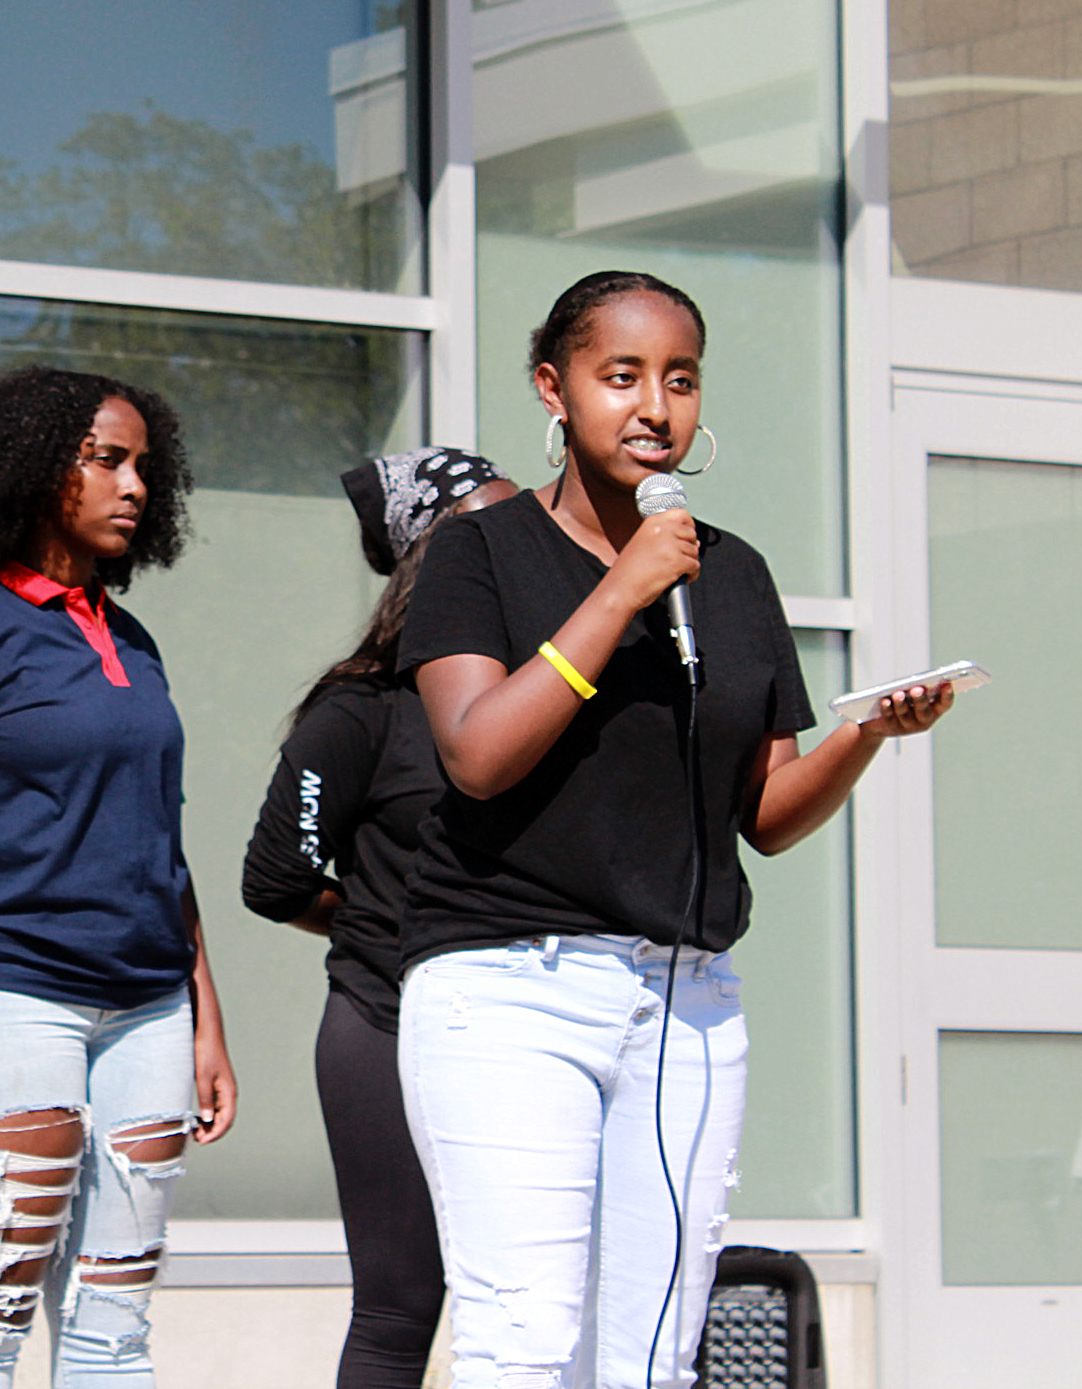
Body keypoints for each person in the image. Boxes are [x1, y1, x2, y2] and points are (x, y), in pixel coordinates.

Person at [393, 270, 954, 1389]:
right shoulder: (480, 554)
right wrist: (620, 591)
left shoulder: (731, 573)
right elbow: (477, 750)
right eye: (621, 376)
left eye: (679, 379)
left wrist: (866, 736)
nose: (654, 406)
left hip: (684, 1006)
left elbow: (764, 814)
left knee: (651, 1357)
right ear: (552, 389)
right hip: (510, 992)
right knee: (524, 1347)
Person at [0, 365, 237, 1388]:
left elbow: (155, 839)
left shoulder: (135, 641)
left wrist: (202, 1015)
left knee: (112, 1327)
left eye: (142, 468)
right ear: (31, 469)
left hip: (146, 1011)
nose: (133, 488)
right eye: (104, 461)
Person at [240, 447, 515, 1389]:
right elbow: (275, 875)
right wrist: (392, 924)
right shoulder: (361, 712)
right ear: (432, 559)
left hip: (522, 1035)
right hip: (383, 1022)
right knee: (402, 1304)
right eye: (492, 528)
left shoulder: (542, 699)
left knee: (527, 1298)